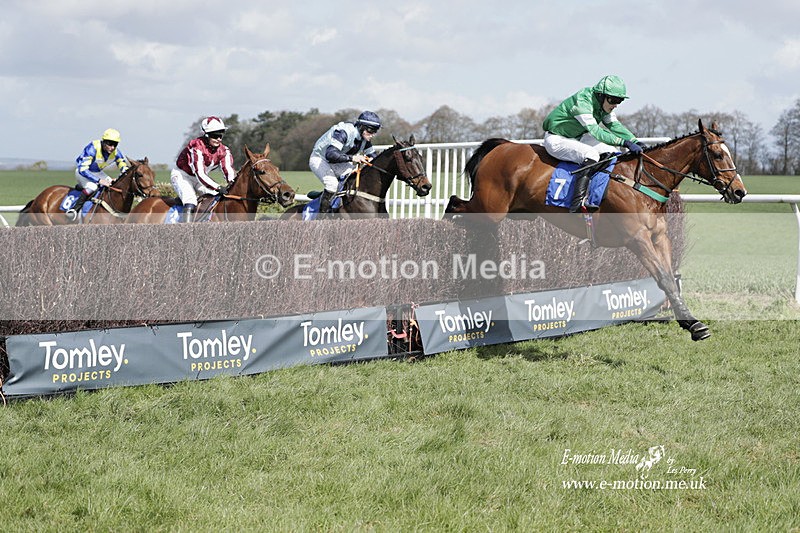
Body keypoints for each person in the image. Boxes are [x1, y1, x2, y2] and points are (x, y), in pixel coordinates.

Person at [543, 75, 645, 212]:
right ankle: (578, 202)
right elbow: (596, 132)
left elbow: (614, 126)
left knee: (612, 151)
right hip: (557, 139)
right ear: (601, 96)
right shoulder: (583, 101)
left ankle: (598, 194)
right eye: (613, 100)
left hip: (578, 137)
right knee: (592, 155)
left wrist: (634, 140)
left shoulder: (604, 105)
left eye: (619, 100)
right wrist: (624, 142)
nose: (616, 104)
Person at [309, 110, 381, 214]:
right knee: (332, 184)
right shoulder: (343, 132)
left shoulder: (364, 139)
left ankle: (337, 205)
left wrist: (371, 159)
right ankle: (321, 218)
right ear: (361, 127)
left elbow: (373, 156)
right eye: (371, 130)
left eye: (375, 131)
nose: (373, 134)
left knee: (353, 178)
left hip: (337, 161)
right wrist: (353, 158)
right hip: (320, 159)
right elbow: (331, 154)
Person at [171, 116, 236, 222]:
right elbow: (200, 173)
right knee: (190, 200)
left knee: (216, 198)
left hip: (200, 179)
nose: (219, 139)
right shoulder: (196, 146)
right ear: (206, 135)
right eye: (215, 136)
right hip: (182, 176)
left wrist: (232, 184)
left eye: (220, 135)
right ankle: (185, 229)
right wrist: (218, 187)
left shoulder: (224, 150)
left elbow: (228, 170)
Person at [69, 128, 130, 220]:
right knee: (93, 187)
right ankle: (74, 210)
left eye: (115, 144)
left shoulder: (116, 152)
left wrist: (120, 178)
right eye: (110, 144)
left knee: (113, 185)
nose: (112, 147)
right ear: (104, 142)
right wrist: (99, 180)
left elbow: (124, 168)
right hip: (83, 173)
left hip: (97, 172)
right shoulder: (92, 148)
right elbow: (83, 169)